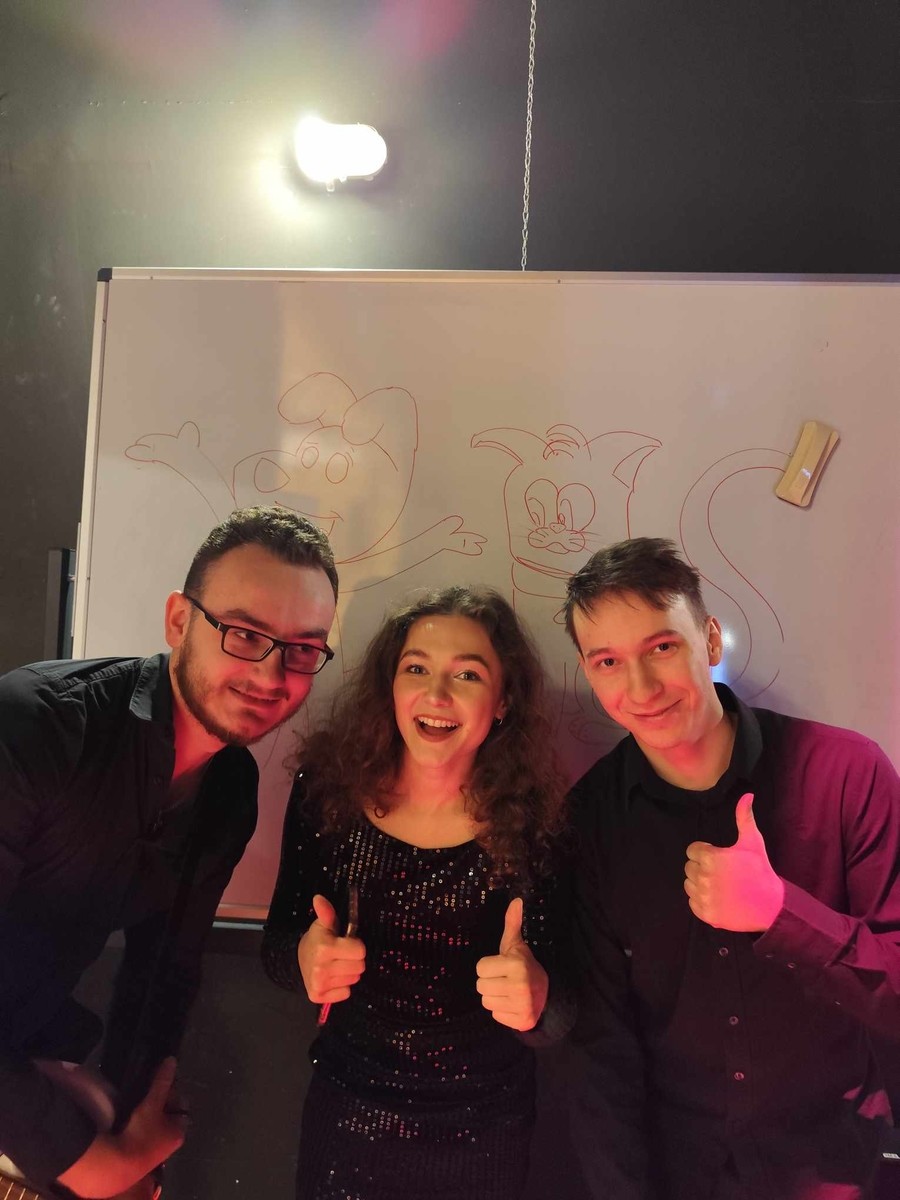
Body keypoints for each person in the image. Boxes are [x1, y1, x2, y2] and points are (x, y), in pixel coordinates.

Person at [0, 505, 338, 1199]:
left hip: (31, 1058)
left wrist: (133, 1130)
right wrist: (82, 1160)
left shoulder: (229, 789)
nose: (272, 675)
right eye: (245, 634)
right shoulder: (37, 726)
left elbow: (165, 972)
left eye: (303, 649)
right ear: (179, 621)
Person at [561, 536, 900, 1200]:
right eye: (608, 662)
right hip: (679, 1173)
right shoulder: (589, 820)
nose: (640, 688)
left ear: (711, 640)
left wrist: (782, 914)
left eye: (662, 647)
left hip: (835, 1167)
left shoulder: (846, 774)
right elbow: (601, 1051)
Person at [262, 585, 570, 1200]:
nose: (437, 695)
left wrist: (538, 1003)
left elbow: (566, 1006)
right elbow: (277, 945)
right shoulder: (328, 792)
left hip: (486, 1128)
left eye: (468, 675)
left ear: (504, 700)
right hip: (348, 1114)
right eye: (416, 669)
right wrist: (304, 960)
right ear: (390, 687)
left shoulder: (540, 822)